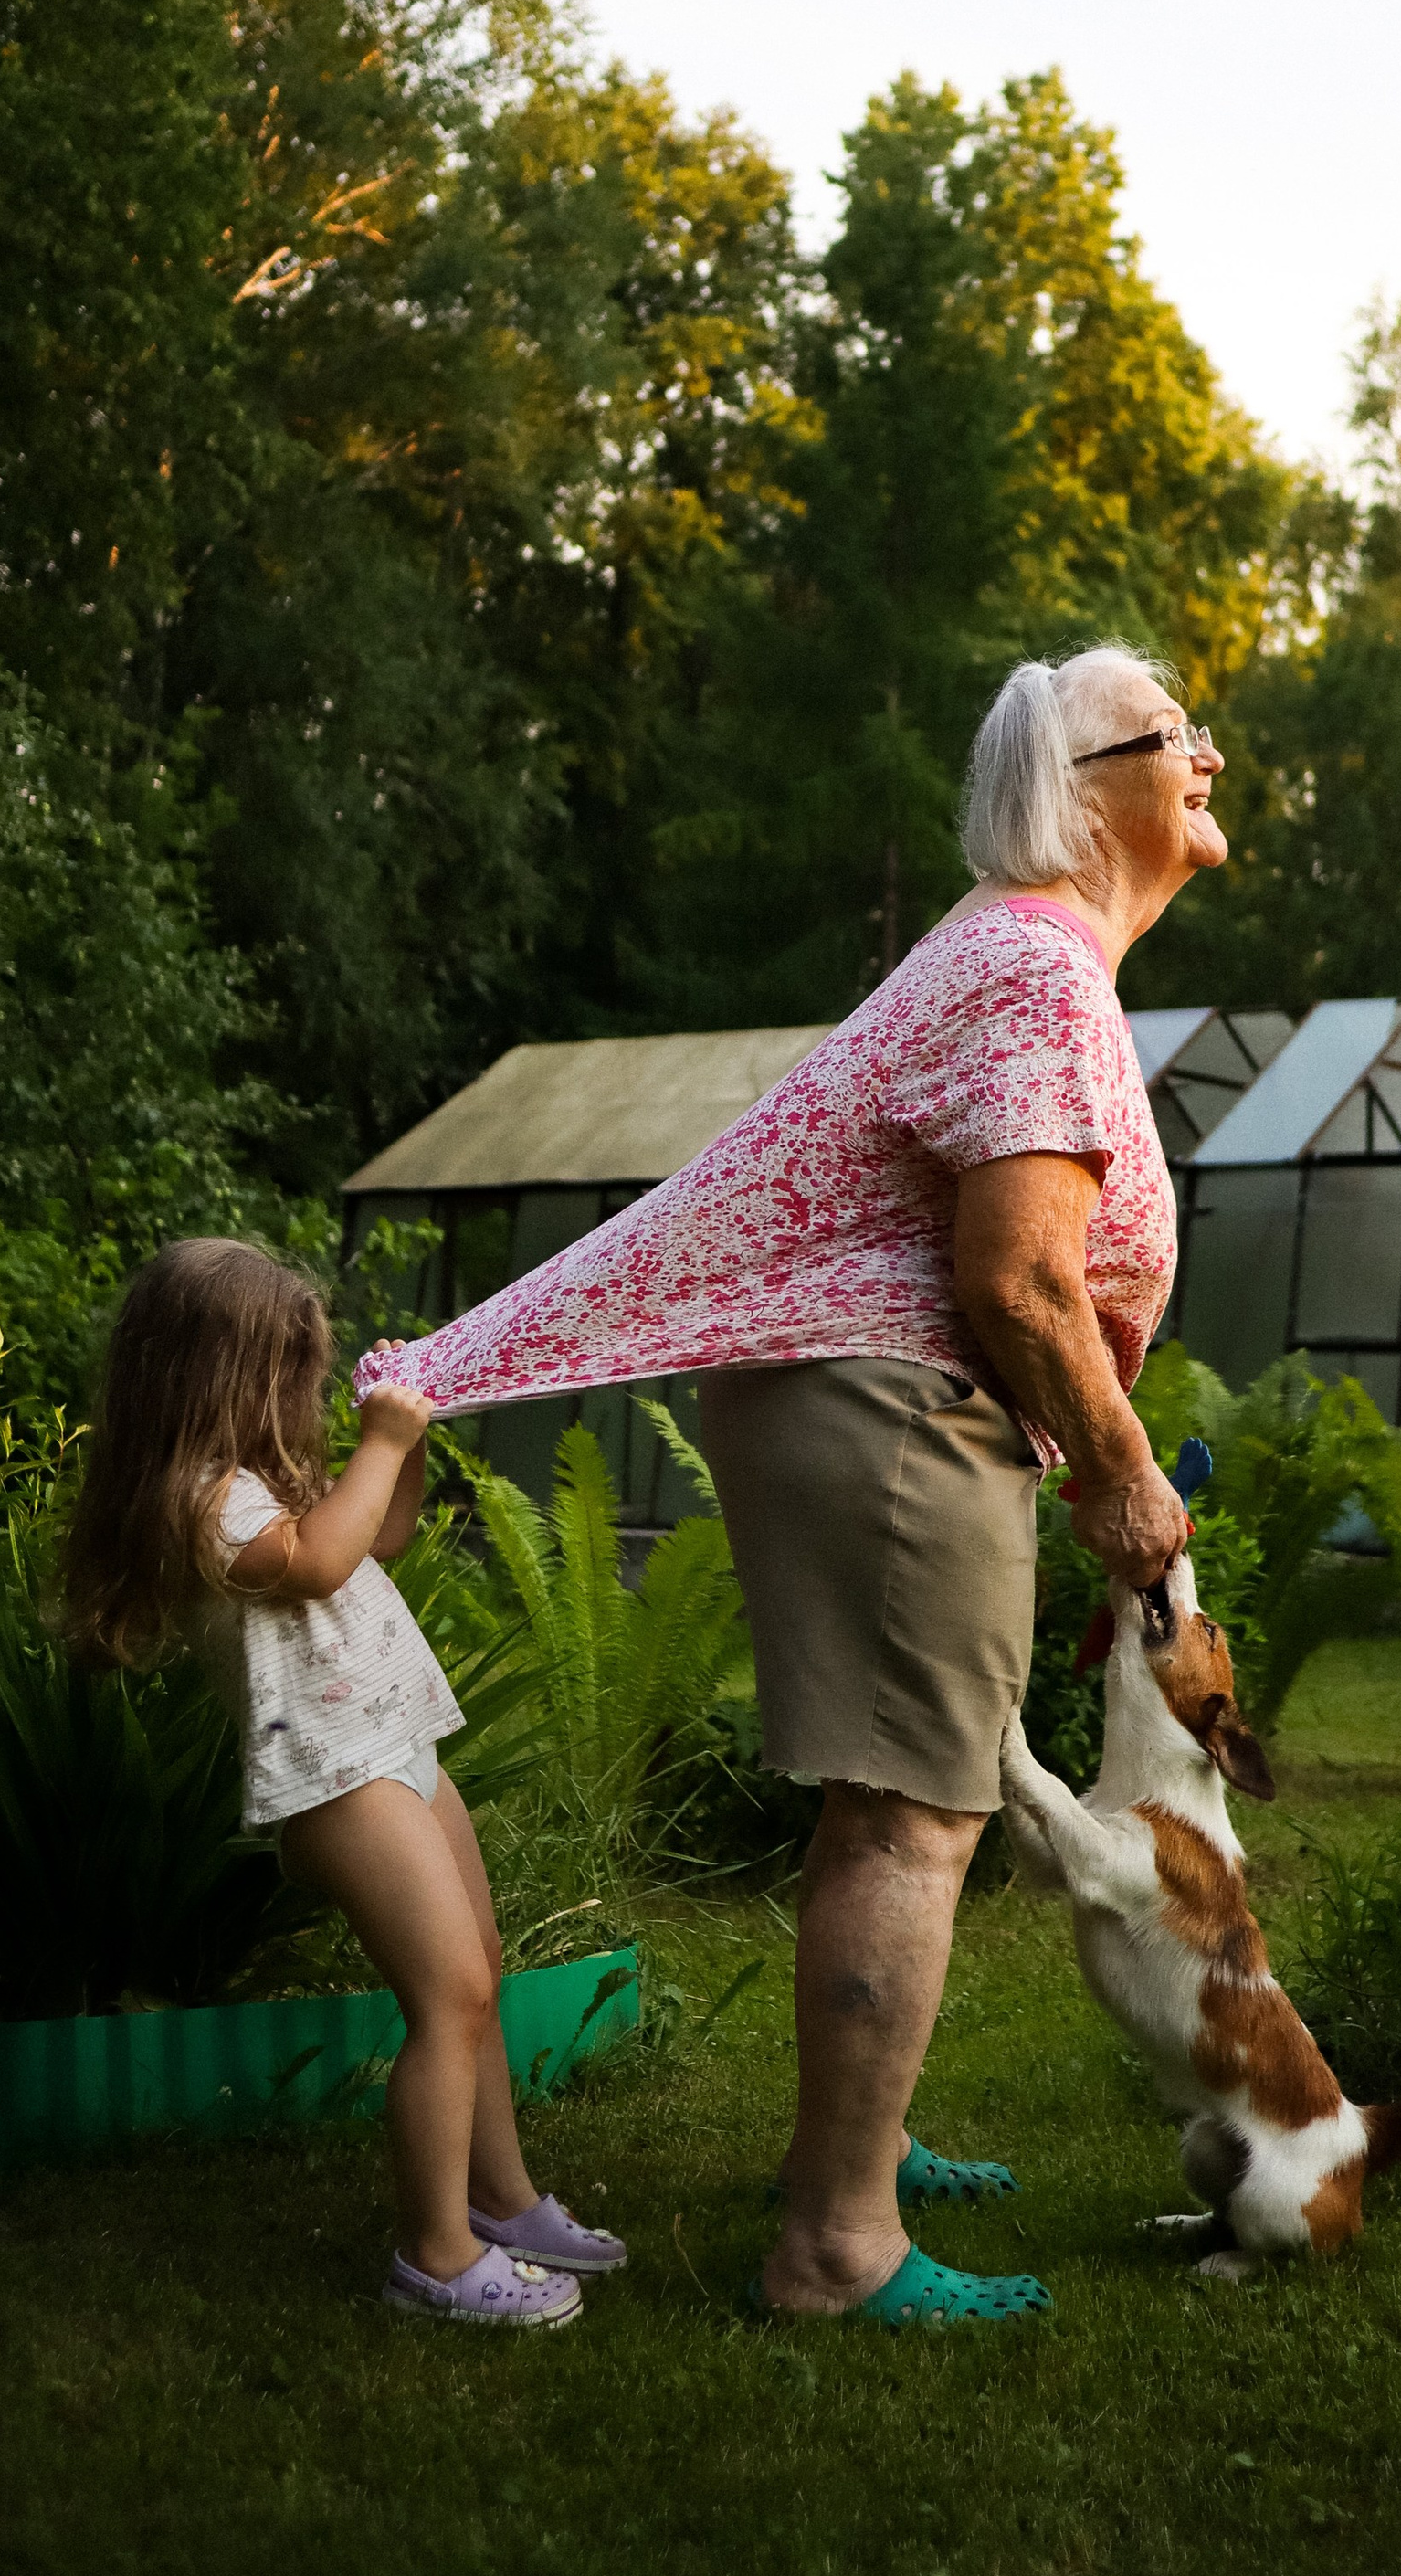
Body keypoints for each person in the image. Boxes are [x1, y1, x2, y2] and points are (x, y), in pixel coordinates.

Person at [357, 642, 1227, 2325]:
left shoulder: (1025, 960)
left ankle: (855, 2157)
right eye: (1172, 731)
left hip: (877, 1404)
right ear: (1081, 781)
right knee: (916, 1810)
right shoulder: (1036, 966)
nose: (1204, 755)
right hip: (899, 1409)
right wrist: (1119, 1478)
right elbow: (1020, 1277)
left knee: (897, 1795)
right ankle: (836, 2243)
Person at [58, 1236, 627, 2327]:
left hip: (394, 1745)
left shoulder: (263, 1484)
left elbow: (382, 1535)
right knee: (446, 1995)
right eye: (290, 1372)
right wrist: (381, 1436)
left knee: (480, 1974)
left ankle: (500, 2199)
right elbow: (319, 1560)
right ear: (220, 1373)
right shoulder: (201, 1497)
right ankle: (437, 2253)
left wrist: (402, 1450)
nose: (305, 1394)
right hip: (335, 1779)